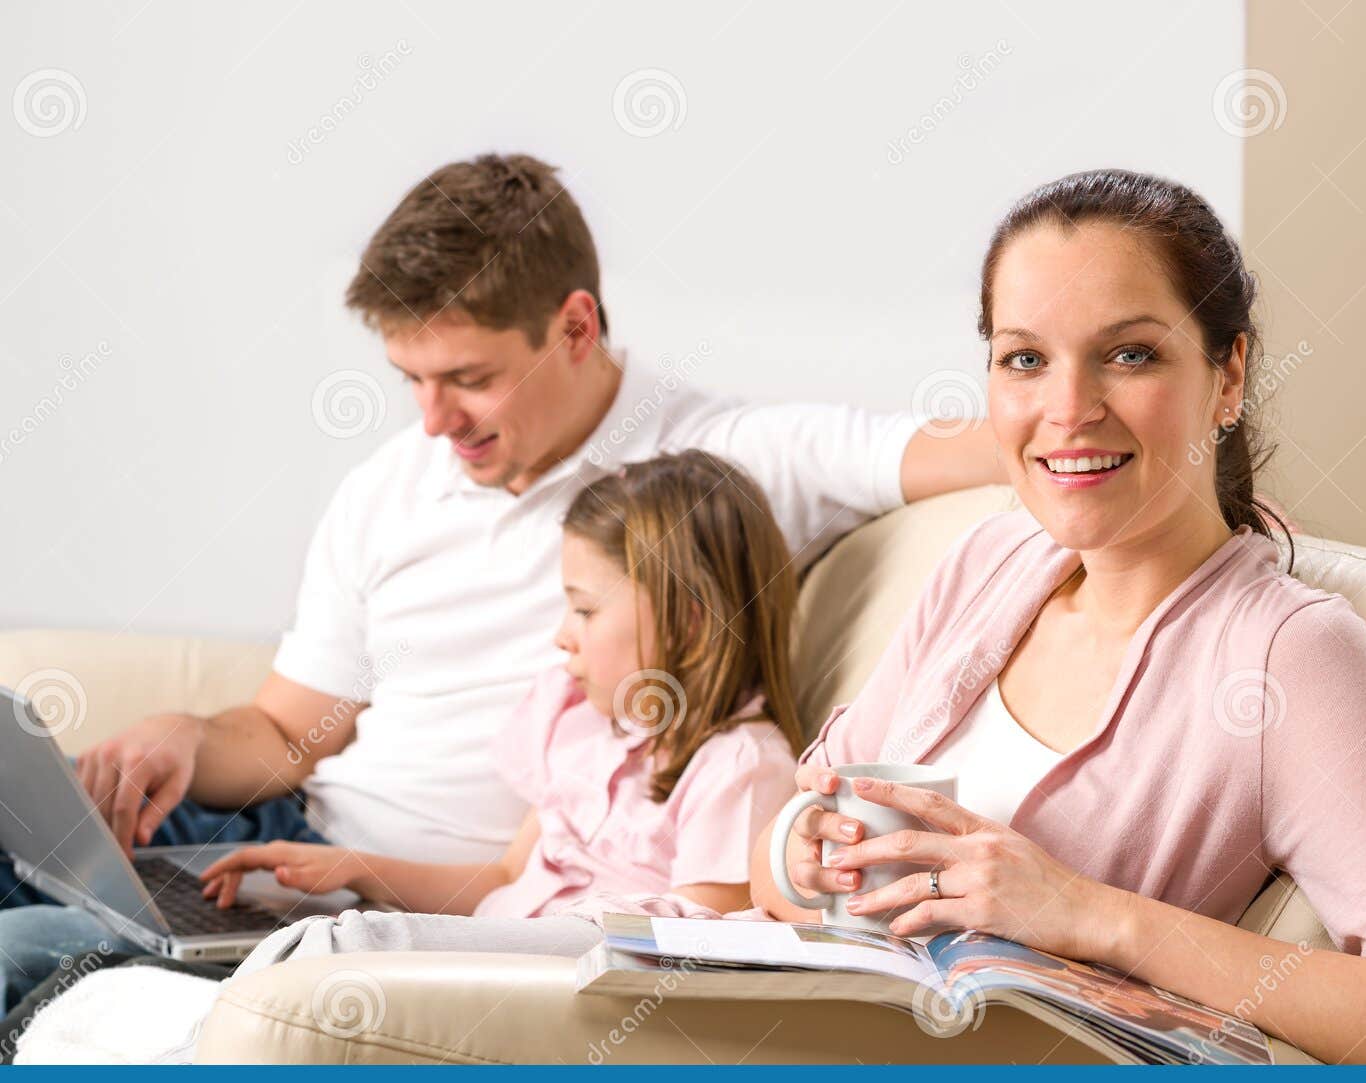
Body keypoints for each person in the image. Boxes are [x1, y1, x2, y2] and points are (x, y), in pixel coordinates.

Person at [0, 153, 1001, 1009]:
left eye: (468, 378)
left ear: (574, 327)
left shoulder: (727, 462)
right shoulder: (391, 486)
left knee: (26, 950)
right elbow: (285, 730)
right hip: (277, 842)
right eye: (412, 381)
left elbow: (1013, 443)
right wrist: (187, 736)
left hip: (414, 901)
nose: (433, 421)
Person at [750, 169, 1366, 1065]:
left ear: (1228, 372)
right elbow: (792, 832)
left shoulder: (1286, 654)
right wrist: (798, 857)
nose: (1068, 409)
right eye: (1025, 358)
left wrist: (1091, 914)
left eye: (1129, 354)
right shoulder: (986, 562)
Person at [200, 451, 801, 926]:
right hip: (486, 959)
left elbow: (696, 937)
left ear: (688, 620)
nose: (563, 637)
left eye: (586, 611)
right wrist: (357, 870)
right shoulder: (586, 730)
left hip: (522, 995)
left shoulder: (740, 767)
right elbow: (506, 880)